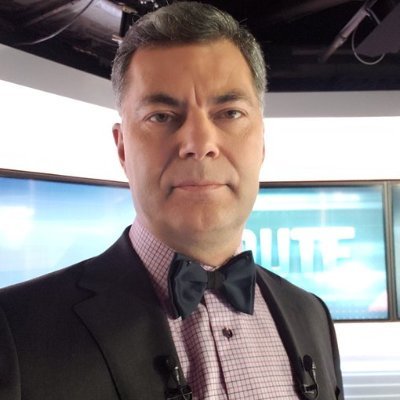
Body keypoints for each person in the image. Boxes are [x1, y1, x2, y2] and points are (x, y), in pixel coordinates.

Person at [0, 2, 343, 399]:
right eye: (162, 116)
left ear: (261, 143)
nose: (199, 143)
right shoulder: (15, 329)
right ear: (122, 148)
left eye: (230, 113)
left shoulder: (311, 314)